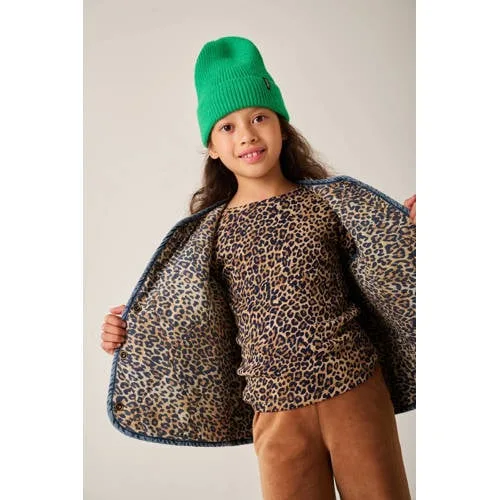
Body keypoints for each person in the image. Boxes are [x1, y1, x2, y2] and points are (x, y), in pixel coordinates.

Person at [100, 36, 416, 499]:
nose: (246, 135)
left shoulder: (327, 204)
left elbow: (390, 264)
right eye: (227, 126)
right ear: (211, 147)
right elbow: (186, 317)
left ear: (282, 127)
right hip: (275, 409)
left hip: (356, 390)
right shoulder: (212, 234)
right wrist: (128, 331)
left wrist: (416, 230)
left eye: (259, 118)